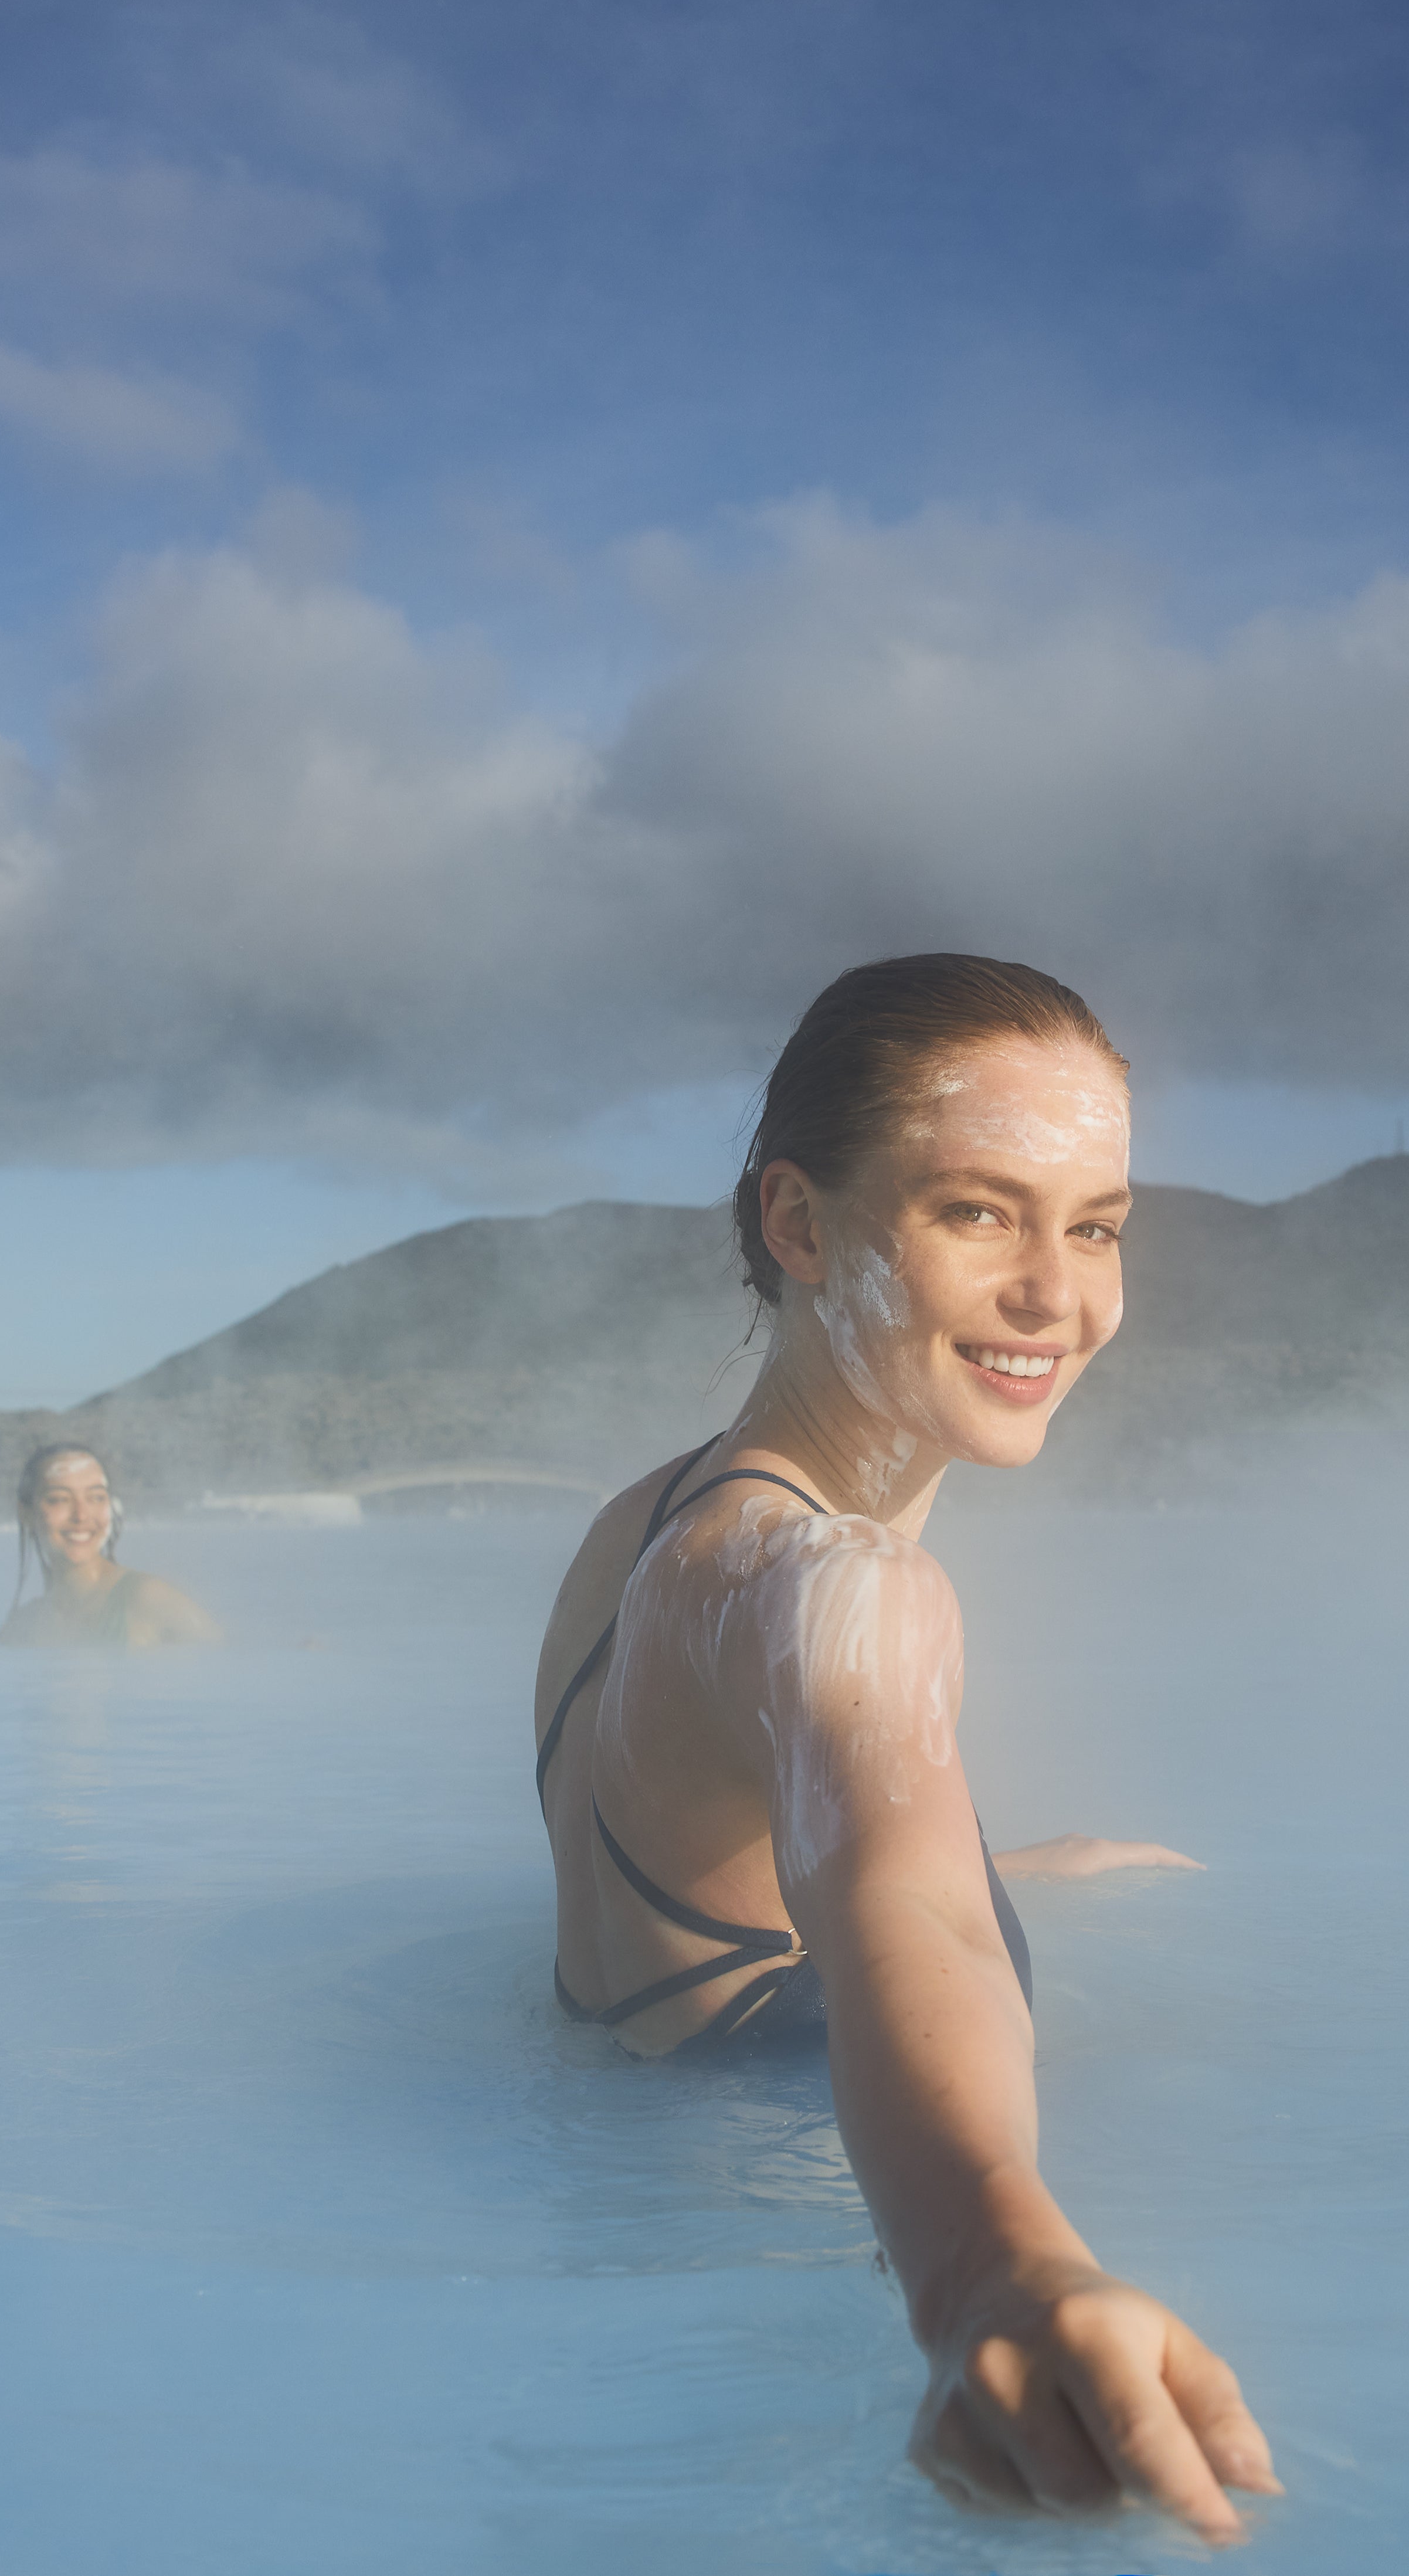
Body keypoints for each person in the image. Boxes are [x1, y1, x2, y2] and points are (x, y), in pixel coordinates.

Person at [527, 953, 1275, 2545]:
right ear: (798, 1226)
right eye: (976, 1212)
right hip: (793, 2314)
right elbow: (904, 1912)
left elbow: (770, 1846)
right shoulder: (844, 1587)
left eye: (1096, 1226)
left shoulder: (652, 1524)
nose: (1057, 1296)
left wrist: (1017, 1868)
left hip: (626, 2283)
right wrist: (994, 2272)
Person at [0, 1443, 219, 1648]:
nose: (81, 1515)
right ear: (25, 1513)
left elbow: (222, 1660)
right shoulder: (22, 1627)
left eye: (96, 1498)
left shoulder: (150, 1600)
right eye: (60, 1499)